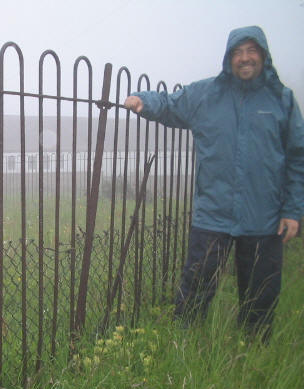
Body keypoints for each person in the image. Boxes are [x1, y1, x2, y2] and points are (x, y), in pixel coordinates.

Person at [123, 26, 304, 341]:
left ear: (263, 55)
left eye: (251, 51)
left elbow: (297, 158)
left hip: (264, 217)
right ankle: (185, 347)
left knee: (260, 296)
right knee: (194, 290)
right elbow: (169, 102)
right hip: (213, 214)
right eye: (237, 52)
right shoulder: (207, 94)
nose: (244, 58)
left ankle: (254, 352)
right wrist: (143, 101)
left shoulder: (281, 100)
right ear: (228, 58)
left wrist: (292, 210)